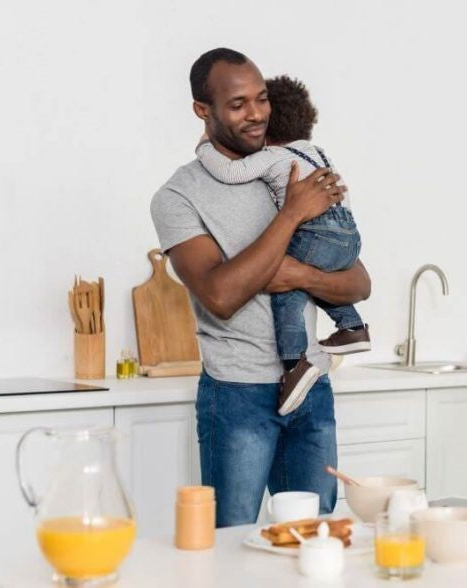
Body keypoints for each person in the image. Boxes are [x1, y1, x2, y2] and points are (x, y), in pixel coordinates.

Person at [149, 48, 370, 527]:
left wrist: (295, 275)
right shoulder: (177, 197)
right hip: (237, 395)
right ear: (202, 110)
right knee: (232, 538)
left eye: (262, 98)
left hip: (309, 383)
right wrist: (292, 215)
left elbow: (357, 282)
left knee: (314, 537)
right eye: (237, 104)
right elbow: (221, 296)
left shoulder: (289, 167)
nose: (256, 114)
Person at [196, 75, 370, 416]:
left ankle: (295, 364)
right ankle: (352, 327)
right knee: (314, 273)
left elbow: (231, 172)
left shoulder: (274, 156)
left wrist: (204, 146)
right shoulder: (318, 153)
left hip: (316, 231)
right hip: (348, 236)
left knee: (284, 281)